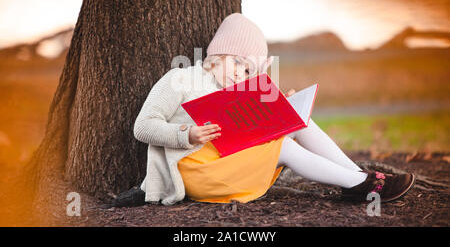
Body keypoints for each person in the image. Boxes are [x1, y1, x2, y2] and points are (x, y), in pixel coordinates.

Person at [112, 13, 415, 207]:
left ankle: (359, 178)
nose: (239, 76)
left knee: (298, 121)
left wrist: (279, 108)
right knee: (283, 146)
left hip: (228, 159)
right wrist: (186, 133)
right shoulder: (181, 78)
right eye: (237, 64)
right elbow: (143, 126)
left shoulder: (237, 89)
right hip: (193, 170)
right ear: (218, 55)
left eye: (248, 73)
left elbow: (247, 129)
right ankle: (359, 184)